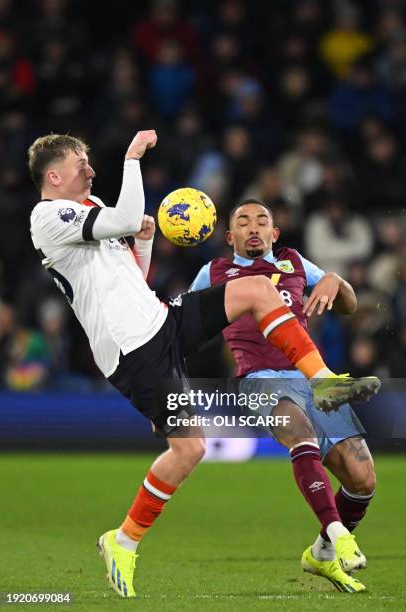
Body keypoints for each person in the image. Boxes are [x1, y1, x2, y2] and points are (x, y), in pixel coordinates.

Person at [28, 133, 379, 598]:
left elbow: (132, 276)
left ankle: (325, 381)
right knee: (189, 450)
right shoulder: (47, 216)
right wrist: (133, 158)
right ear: (54, 175)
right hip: (132, 349)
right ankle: (124, 540)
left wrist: (146, 243)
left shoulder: (88, 206)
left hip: (158, 321)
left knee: (258, 290)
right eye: (81, 162)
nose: (90, 170)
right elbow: (126, 216)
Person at [190, 200, 378, 593]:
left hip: (313, 379)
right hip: (260, 380)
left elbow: (349, 305)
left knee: (362, 479)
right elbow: (182, 327)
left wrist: (335, 280)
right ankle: (338, 533)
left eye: (262, 221)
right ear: (230, 237)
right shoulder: (214, 273)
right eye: (243, 222)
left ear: (275, 234)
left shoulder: (293, 262)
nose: (253, 227)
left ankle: (322, 553)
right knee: (300, 431)